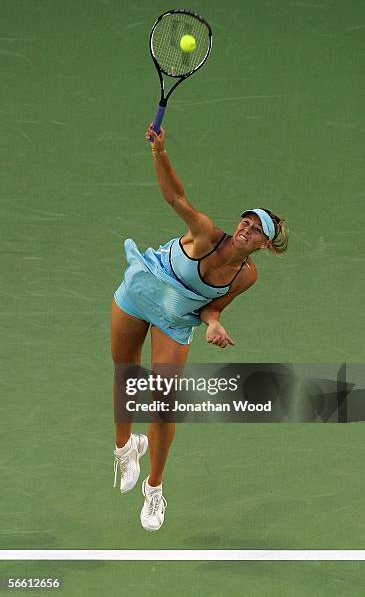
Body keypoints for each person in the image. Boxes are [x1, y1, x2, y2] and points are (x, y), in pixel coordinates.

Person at [111, 125, 288, 531]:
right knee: (125, 373)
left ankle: (154, 490)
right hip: (141, 290)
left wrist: (214, 324)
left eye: (256, 228)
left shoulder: (247, 276)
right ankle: (125, 447)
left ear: (263, 243)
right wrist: (160, 152)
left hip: (175, 317)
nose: (246, 227)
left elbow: (212, 306)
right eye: (246, 220)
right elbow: (174, 196)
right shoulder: (206, 232)